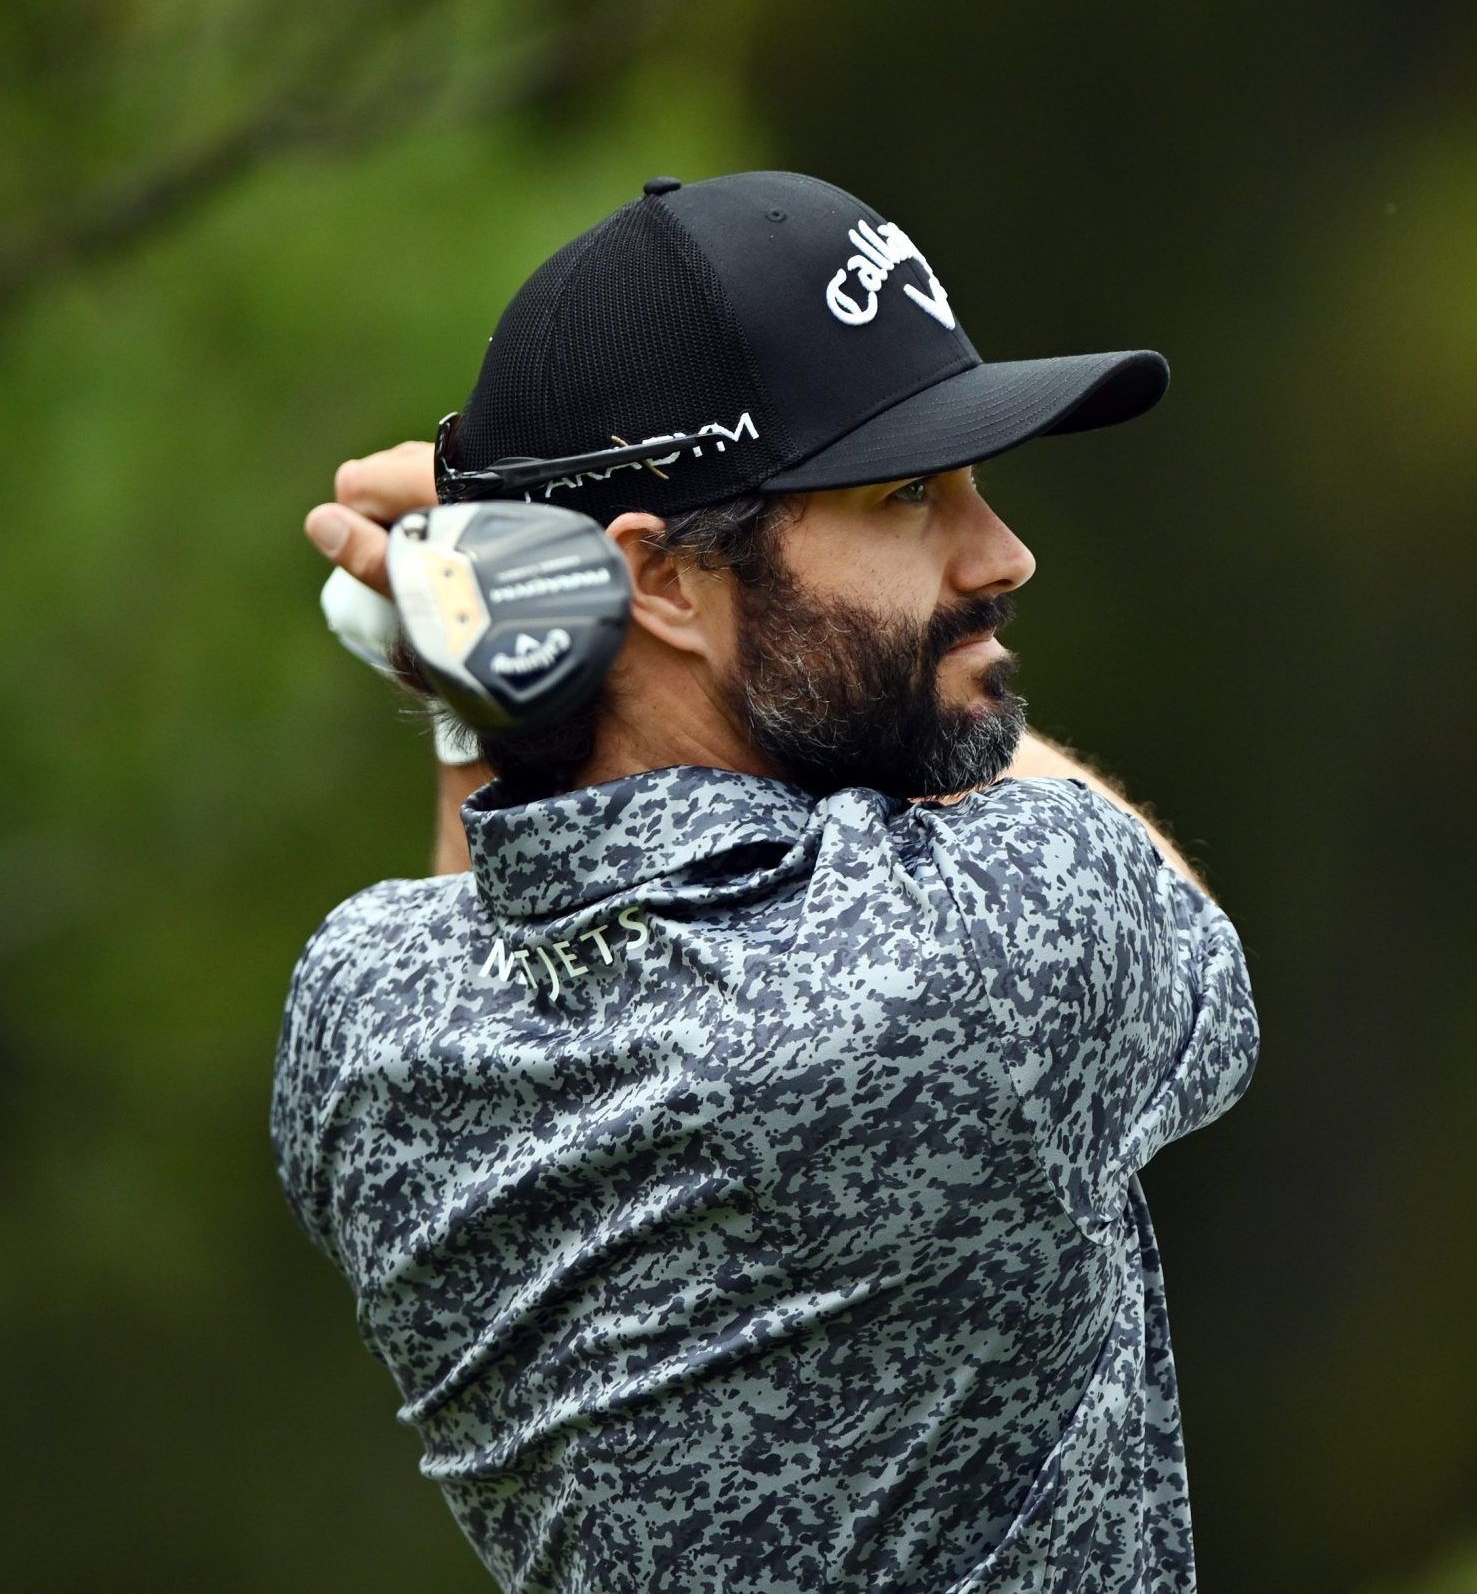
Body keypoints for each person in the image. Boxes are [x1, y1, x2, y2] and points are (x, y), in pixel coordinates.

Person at [271, 171, 1261, 1593]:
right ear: (661, 585)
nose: (1001, 553)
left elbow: (469, 915)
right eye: (909, 491)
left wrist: (487, 644)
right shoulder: (977, 952)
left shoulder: (360, 1023)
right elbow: (1184, 924)